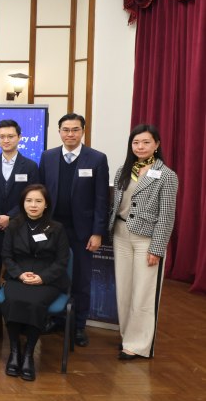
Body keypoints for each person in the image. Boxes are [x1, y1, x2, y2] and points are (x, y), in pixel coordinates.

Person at [39, 114, 109, 347]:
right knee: (55, 276)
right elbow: (40, 194)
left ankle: (79, 325)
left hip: (83, 231)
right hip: (52, 230)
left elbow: (102, 199)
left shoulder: (97, 158)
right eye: (66, 129)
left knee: (81, 280)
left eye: (75, 129)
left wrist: (97, 232)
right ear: (59, 131)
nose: (70, 134)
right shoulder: (47, 156)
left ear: (83, 132)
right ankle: (58, 319)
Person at [109, 124, 178, 361]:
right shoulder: (123, 170)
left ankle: (137, 345)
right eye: (136, 142)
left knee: (144, 292)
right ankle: (127, 336)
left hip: (146, 240)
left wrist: (157, 248)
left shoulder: (167, 175)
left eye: (146, 142)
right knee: (124, 290)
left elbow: (167, 216)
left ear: (157, 145)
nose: (140, 146)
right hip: (120, 235)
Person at [0, 185, 70, 381]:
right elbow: (7, 256)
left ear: (46, 204)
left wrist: (43, 277)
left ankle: (29, 354)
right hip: (19, 276)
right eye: (29, 200)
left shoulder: (57, 228)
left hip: (48, 279)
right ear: (22, 203)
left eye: (38, 201)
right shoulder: (13, 226)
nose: (33, 205)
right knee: (12, 300)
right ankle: (15, 352)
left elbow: (62, 261)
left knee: (35, 303)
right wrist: (20, 275)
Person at [0, 119, 40, 293]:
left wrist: (10, 217)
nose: (6, 140)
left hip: (20, 227)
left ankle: (12, 306)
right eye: (1, 136)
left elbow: (32, 197)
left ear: (19, 137)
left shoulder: (30, 166)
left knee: (17, 273)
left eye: (10, 136)